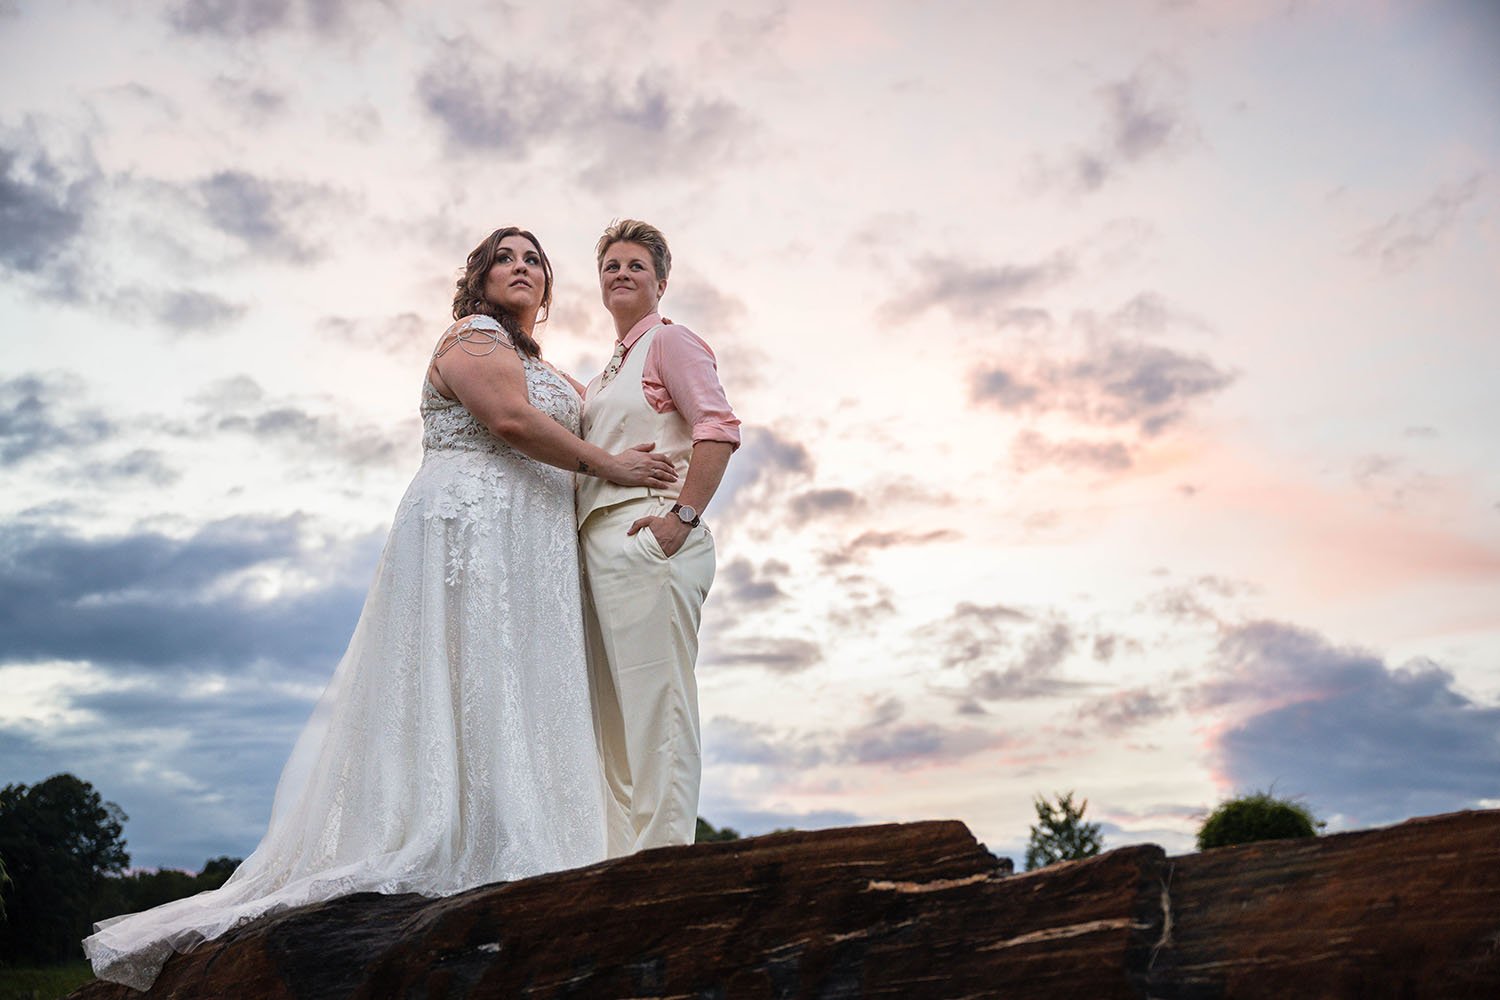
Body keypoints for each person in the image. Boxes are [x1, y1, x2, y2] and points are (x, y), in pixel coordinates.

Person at [83, 227, 677, 991]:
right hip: (472, 526)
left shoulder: (548, 363)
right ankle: (451, 856)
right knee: (468, 678)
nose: (522, 267)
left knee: (522, 689)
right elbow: (510, 423)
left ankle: (527, 851)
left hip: (533, 547)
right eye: (507, 256)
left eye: (535, 260)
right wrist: (611, 464)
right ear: (480, 278)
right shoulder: (474, 336)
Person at [578, 219, 740, 857]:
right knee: (613, 727)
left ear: (661, 282)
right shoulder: (602, 376)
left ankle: (664, 863)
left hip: (651, 535)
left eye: (636, 266)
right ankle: (620, 862)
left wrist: (682, 520)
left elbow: (718, 428)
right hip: (600, 550)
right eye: (611, 266)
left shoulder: (670, 344)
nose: (621, 273)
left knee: (658, 707)